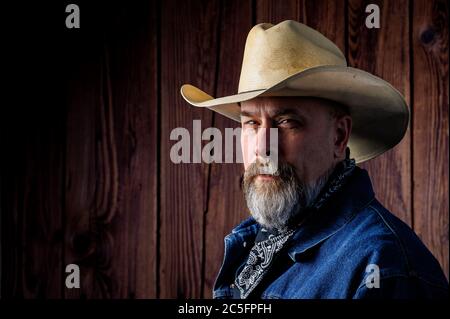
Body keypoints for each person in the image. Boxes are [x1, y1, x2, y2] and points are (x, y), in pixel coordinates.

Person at [181, 20, 448, 299]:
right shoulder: (258, 245)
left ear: (338, 136)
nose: (263, 147)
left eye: (286, 122)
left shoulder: (383, 265)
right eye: (251, 123)